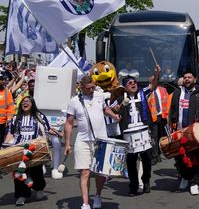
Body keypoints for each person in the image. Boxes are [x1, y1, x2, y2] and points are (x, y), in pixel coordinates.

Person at [64, 75, 121, 209]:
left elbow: (105, 109)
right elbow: (69, 123)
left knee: (101, 172)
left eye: (93, 87)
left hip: (101, 140)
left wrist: (114, 116)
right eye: (88, 88)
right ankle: (85, 203)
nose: (91, 90)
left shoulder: (99, 96)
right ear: (81, 87)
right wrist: (67, 143)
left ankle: (97, 195)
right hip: (83, 141)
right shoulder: (74, 101)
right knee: (85, 172)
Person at [168, 71, 199, 195]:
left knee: (195, 158)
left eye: (189, 77)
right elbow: (171, 111)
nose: (187, 79)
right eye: (185, 77)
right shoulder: (178, 92)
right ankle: (184, 178)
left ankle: (194, 183)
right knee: (180, 158)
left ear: (194, 79)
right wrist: (169, 127)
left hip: (195, 134)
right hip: (179, 132)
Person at [117, 65, 160, 196]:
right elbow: (113, 110)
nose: (133, 84)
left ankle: (146, 180)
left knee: (147, 159)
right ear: (125, 86)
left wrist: (157, 73)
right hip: (128, 133)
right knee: (131, 162)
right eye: (130, 83)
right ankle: (133, 186)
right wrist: (121, 105)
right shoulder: (120, 98)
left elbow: (153, 85)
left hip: (144, 129)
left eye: (134, 82)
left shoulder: (143, 93)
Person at [4, 96, 49, 206]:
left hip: (35, 147)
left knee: (36, 172)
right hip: (19, 148)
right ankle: (22, 195)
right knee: (19, 172)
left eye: (27, 101)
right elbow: (10, 133)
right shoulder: (16, 118)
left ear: (32, 104)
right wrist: (5, 147)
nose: (25, 103)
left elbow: (46, 132)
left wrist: (45, 145)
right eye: (23, 102)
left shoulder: (40, 117)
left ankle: (39, 189)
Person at [147, 75, 169, 165]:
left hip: (162, 116)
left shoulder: (163, 90)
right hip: (153, 118)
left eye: (155, 80)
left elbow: (167, 102)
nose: (153, 82)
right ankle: (154, 156)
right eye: (151, 81)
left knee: (161, 136)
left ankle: (159, 153)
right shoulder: (148, 91)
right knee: (154, 137)